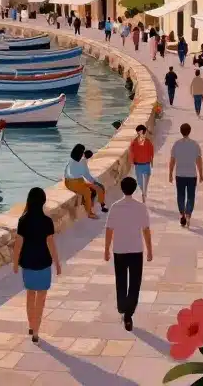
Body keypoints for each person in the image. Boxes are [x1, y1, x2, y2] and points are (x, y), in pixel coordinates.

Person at [104, 177, 153, 331]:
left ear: (122, 188)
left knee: (121, 280)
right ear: (134, 189)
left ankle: (122, 307)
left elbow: (109, 229)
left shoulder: (115, 207)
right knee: (134, 283)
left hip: (119, 250)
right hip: (136, 250)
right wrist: (150, 249)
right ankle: (129, 313)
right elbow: (146, 229)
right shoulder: (141, 208)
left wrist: (106, 249)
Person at [13, 187, 61, 343]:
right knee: (41, 298)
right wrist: (57, 263)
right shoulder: (47, 221)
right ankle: (36, 332)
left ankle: (31, 325)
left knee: (30, 295)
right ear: (43, 201)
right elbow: (51, 244)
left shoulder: (23, 220)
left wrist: (15, 263)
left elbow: (18, 245)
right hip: (44, 263)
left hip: (27, 263)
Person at [169, 123, 203, 228]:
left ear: (181, 131)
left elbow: (172, 160)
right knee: (191, 196)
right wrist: (201, 173)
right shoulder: (195, 144)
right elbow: (198, 160)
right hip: (192, 174)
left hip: (179, 174)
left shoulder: (176, 144)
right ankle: (188, 214)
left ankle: (182, 214)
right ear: (190, 131)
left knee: (181, 195)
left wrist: (170, 173)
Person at [64, 144, 107, 219]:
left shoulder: (76, 161)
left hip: (77, 181)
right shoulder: (77, 162)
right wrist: (93, 182)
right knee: (87, 192)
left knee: (97, 188)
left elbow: (84, 174)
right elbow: (84, 175)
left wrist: (93, 182)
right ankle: (89, 213)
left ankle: (100, 205)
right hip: (73, 183)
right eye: (83, 152)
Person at [130, 124, 155, 202]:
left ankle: (143, 192)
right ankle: (144, 192)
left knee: (140, 182)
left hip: (138, 165)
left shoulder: (134, 142)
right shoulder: (148, 141)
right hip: (147, 164)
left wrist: (132, 162)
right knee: (146, 182)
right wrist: (152, 162)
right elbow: (152, 152)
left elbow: (132, 153)